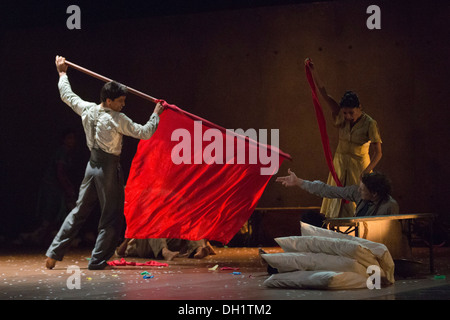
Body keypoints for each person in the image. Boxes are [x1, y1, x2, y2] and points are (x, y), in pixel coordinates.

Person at [45, 56, 165, 270]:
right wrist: (156, 113)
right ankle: (97, 259)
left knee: (80, 211)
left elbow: (67, 95)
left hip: (92, 166)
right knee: (111, 215)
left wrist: (62, 73)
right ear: (109, 101)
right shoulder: (118, 119)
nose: (123, 104)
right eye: (120, 101)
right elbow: (145, 132)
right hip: (108, 169)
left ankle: (54, 253)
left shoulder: (88, 109)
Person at [305, 59, 383, 218]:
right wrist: (314, 72)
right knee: (335, 197)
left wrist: (367, 172)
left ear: (359, 107)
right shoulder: (341, 115)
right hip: (339, 163)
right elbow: (324, 94)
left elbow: (378, 153)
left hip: (359, 166)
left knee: (357, 200)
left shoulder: (370, 123)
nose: (347, 116)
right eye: (345, 112)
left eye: (351, 113)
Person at [276, 169, 398, 217]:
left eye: (363, 189)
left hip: (367, 245)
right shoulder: (357, 193)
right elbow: (328, 190)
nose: (359, 190)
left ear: (375, 193)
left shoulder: (389, 206)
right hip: (354, 238)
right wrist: (299, 182)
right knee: (309, 217)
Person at [116, 238, 216, 261]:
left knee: (187, 223)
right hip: (145, 248)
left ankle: (199, 249)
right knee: (153, 225)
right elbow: (119, 252)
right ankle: (165, 252)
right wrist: (129, 236)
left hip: (164, 243)